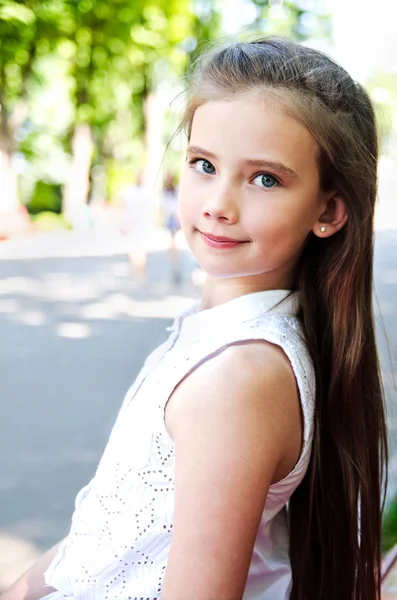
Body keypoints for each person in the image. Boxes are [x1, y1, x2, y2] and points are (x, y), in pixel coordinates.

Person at [2, 37, 387, 600]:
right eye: (204, 164)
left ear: (328, 211)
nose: (218, 203)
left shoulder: (238, 380)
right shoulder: (220, 338)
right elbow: (115, 536)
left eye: (265, 179)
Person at [162, 172, 181, 283]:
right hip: (172, 218)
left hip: (173, 218)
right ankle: (175, 265)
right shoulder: (169, 192)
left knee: (174, 243)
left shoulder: (173, 191)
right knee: (173, 243)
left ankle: (175, 264)